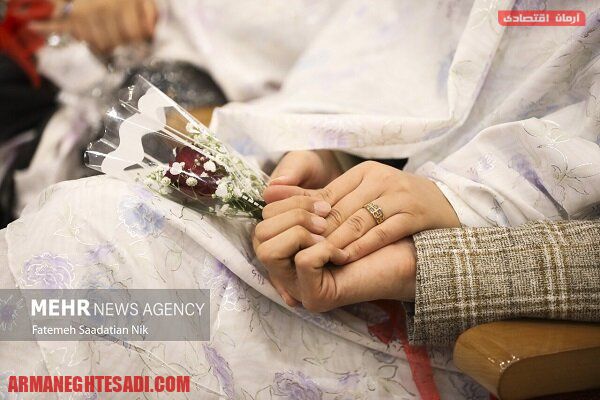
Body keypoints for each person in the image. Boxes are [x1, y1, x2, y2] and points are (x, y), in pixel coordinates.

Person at [1, 0, 599, 398]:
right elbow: (416, 91)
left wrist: (430, 250)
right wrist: (337, 155)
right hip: (330, 240)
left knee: (80, 255)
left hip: (475, 320)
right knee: (67, 265)